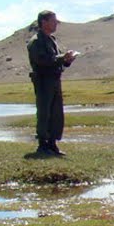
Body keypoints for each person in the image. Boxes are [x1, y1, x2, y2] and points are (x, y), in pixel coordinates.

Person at [27, 10, 78, 156]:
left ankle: (52, 144)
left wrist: (66, 61)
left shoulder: (52, 40)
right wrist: (62, 58)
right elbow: (42, 61)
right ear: (44, 22)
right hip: (43, 81)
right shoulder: (36, 42)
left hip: (55, 80)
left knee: (56, 113)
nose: (56, 23)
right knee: (45, 112)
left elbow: (56, 61)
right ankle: (43, 145)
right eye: (53, 21)